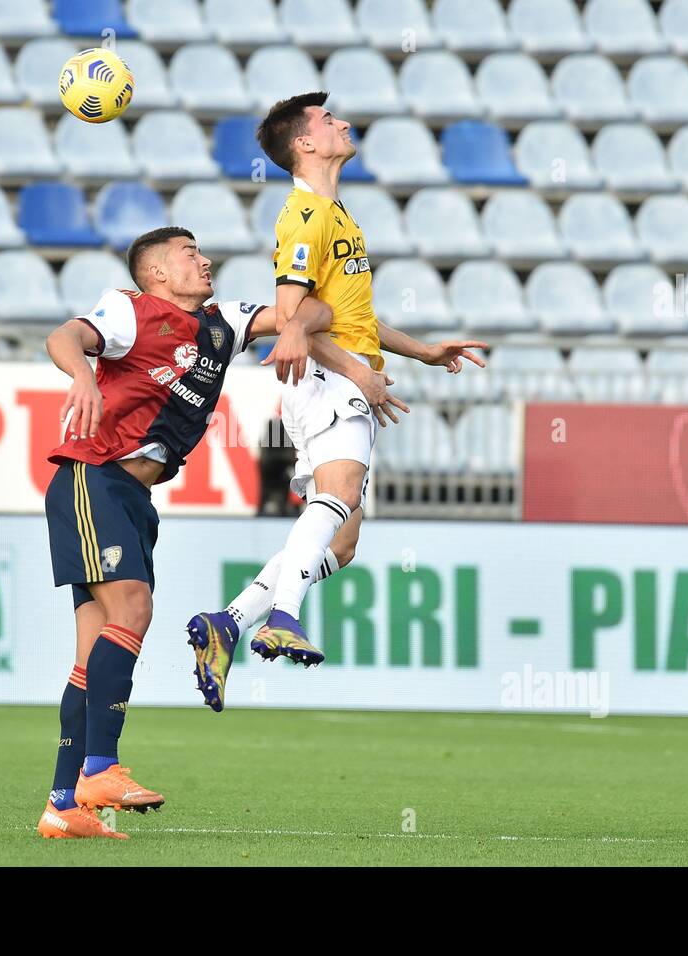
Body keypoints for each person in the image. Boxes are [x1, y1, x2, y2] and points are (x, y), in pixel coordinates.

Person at [36, 225, 347, 840]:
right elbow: (65, 335)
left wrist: (291, 326)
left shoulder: (222, 323)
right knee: (135, 607)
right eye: (189, 254)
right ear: (155, 272)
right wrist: (83, 374)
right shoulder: (131, 309)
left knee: (89, 652)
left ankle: (62, 806)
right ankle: (100, 768)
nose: (204, 261)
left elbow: (319, 310)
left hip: (131, 497)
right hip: (92, 477)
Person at [185, 92, 486, 713]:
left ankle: (230, 622)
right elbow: (295, 321)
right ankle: (285, 616)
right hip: (330, 381)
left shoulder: (336, 212)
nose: (342, 123)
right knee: (340, 491)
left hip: (346, 374)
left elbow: (349, 316)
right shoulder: (304, 217)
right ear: (305, 143)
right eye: (327, 121)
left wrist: (421, 351)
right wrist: (359, 373)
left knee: (342, 544)